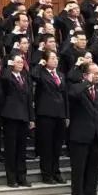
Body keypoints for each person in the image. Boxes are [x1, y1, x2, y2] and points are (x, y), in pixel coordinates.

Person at [67, 60, 98, 195]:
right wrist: (85, 83)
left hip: (95, 135)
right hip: (80, 135)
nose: (97, 76)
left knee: (93, 169)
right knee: (79, 170)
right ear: (85, 75)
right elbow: (72, 94)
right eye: (94, 73)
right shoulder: (77, 87)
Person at [32, 50, 68, 185]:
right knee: (47, 145)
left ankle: (56, 171)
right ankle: (47, 174)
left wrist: (66, 114)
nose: (55, 60)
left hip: (59, 114)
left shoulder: (60, 75)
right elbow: (33, 75)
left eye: (56, 58)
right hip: (46, 113)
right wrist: (40, 65)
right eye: (52, 58)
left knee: (57, 146)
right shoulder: (41, 73)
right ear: (45, 60)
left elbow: (65, 96)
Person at [0, 55, 33, 188]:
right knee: (11, 148)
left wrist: (31, 118)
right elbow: (4, 78)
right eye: (17, 62)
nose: (20, 64)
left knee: (21, 149)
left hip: (23, 116)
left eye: (22, 62)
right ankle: (11, 177)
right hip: (11, 116)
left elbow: (29, 98)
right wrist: (9, 66)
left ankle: (22, 176)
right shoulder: (8, 76)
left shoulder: (24, 77)